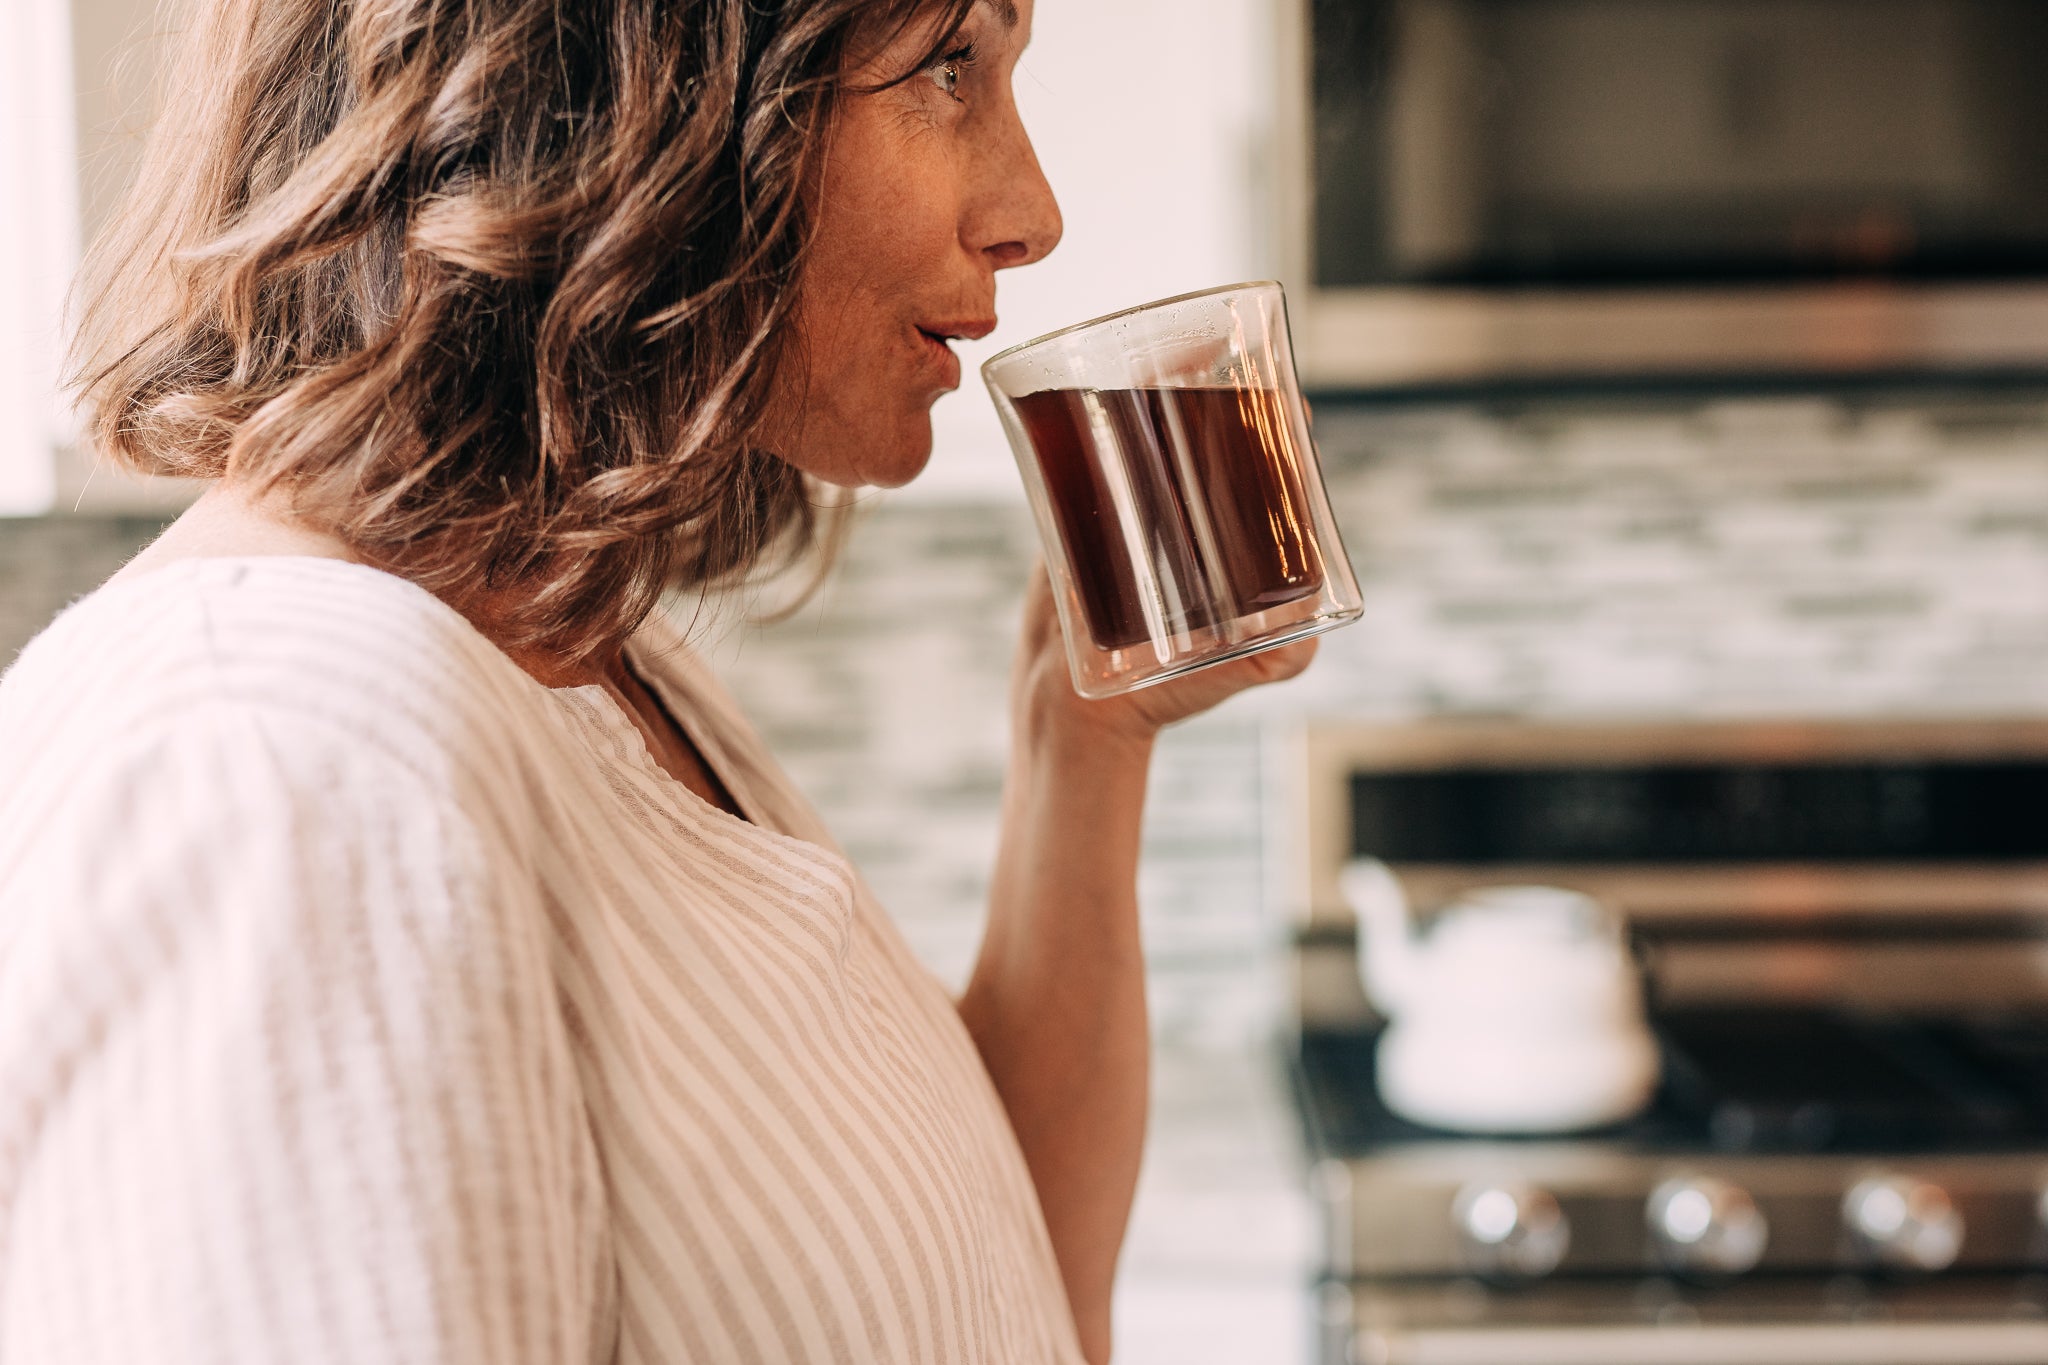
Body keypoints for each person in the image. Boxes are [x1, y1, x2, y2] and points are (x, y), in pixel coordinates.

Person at [0, 0, 1316, 1360]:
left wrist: (1083, 736)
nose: (1031, 211)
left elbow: (991, 1285)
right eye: (948, 66)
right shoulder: (285, 767)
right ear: (630, 83)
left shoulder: (592, 659)